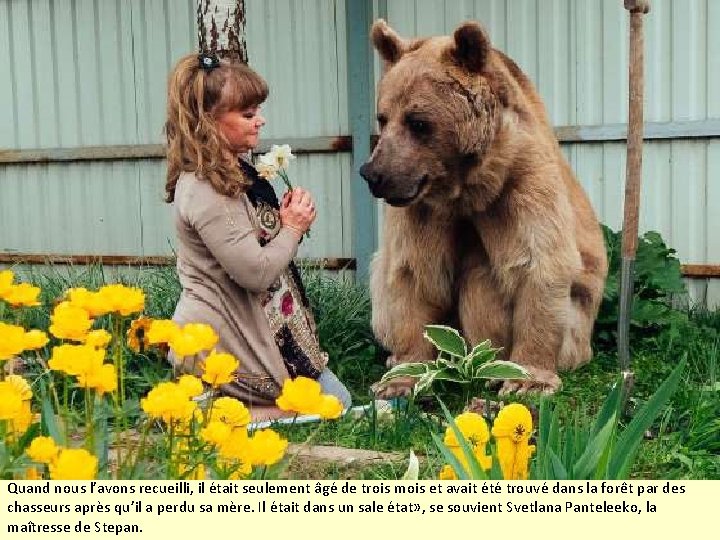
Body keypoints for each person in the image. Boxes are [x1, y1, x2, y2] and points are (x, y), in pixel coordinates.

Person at [164, 53, 351, 419]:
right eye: (248, 115)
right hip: (225, 337)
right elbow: (256, 272)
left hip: (253, 329)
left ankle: (214, 407)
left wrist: (284, 220)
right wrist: (293, 228)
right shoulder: (206, 188)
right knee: (333, 405)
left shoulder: (226, 171)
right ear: (208, 122)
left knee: (334, 399)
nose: (260, 121)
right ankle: (209, 414)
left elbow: (252, 239)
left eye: (257, 111)